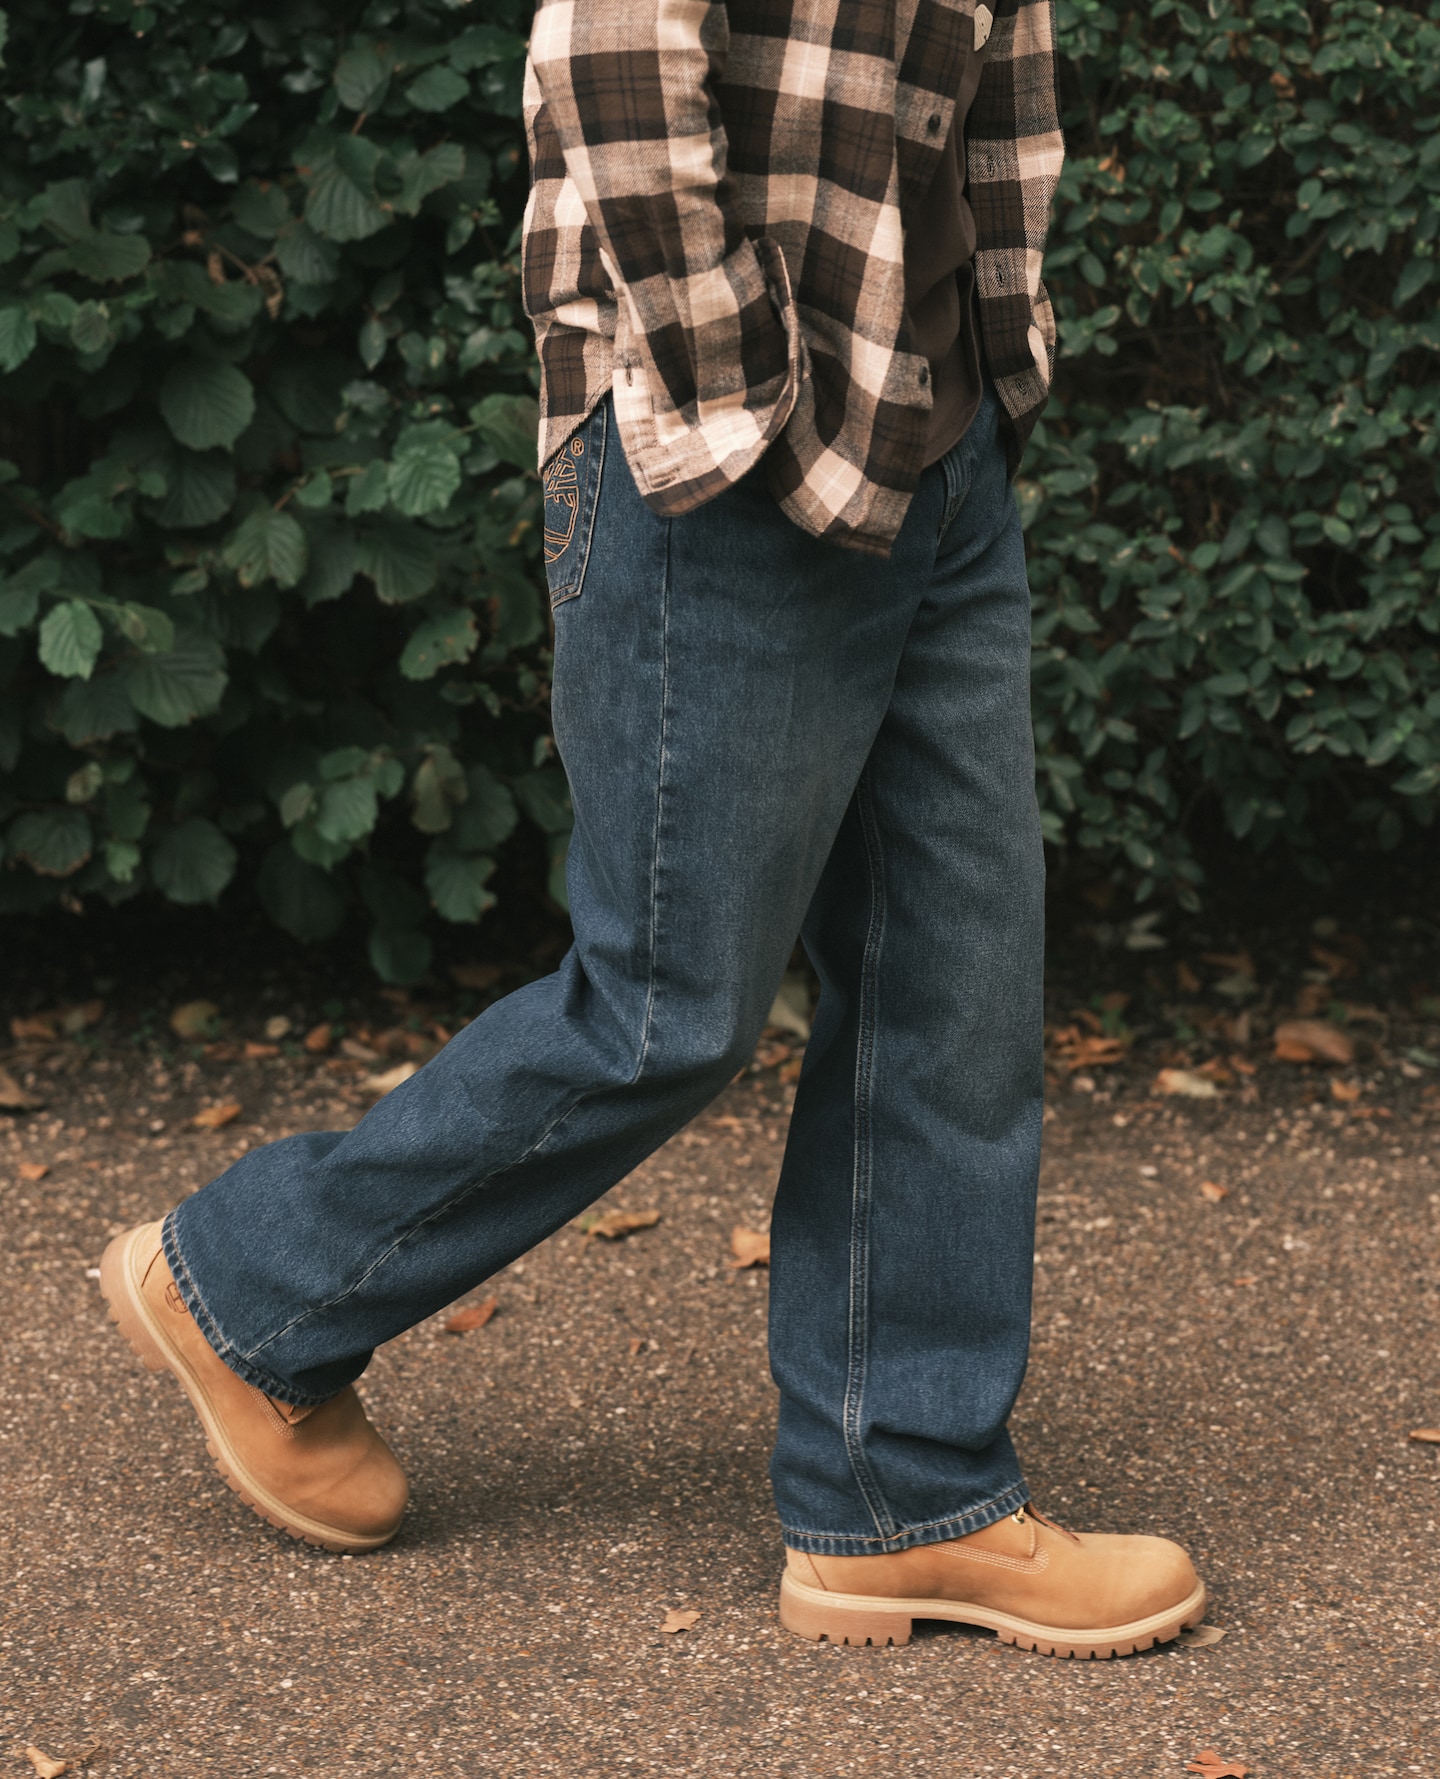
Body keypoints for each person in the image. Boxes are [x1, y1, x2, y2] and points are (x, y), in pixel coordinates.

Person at [101, 0, 1206, 1656]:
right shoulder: (734, 425)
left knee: (954, 986)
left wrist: (985, 355)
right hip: (730, 458)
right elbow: (609, 55)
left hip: (934, 430)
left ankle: (904, 1497)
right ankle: (252, 1287)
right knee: (663, 1002)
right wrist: (747, 407)